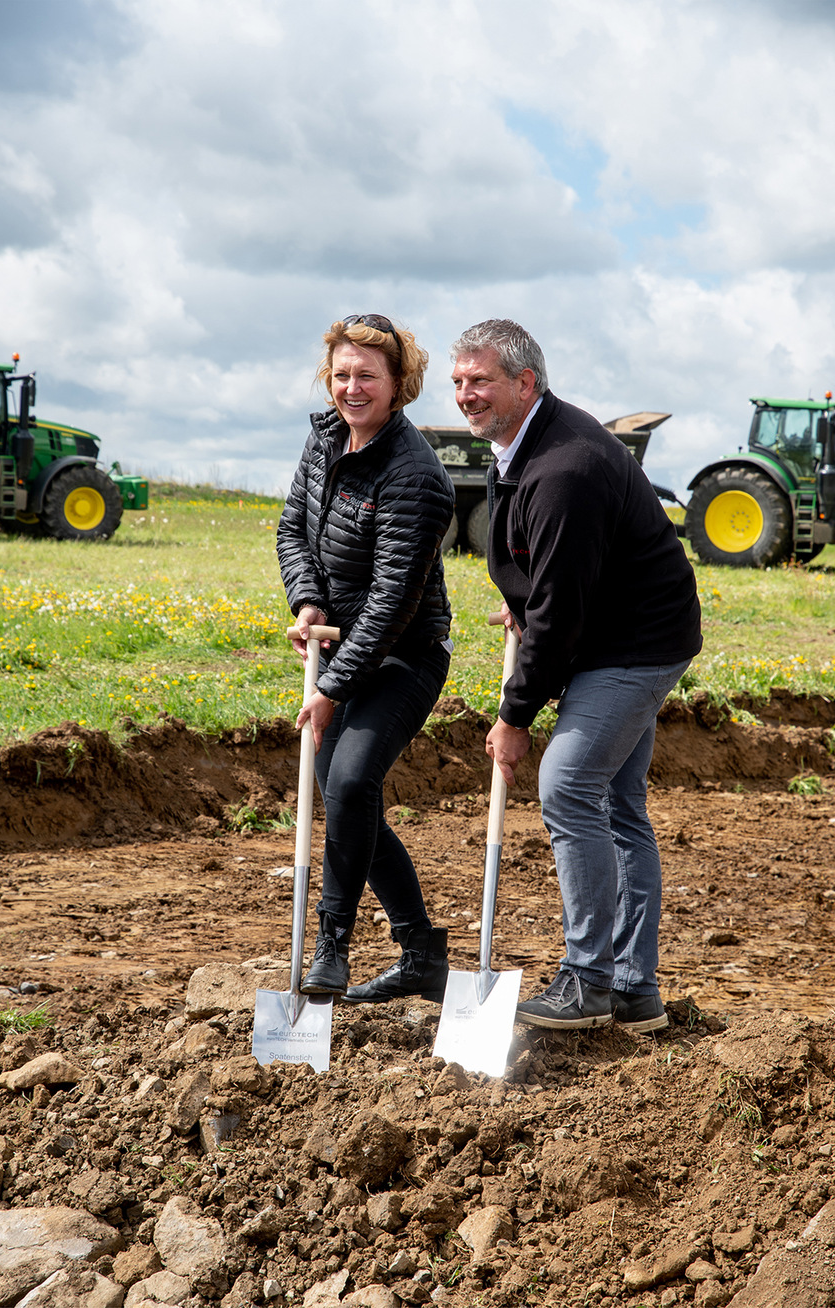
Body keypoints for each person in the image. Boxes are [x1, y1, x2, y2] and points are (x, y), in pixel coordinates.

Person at [450, 319, 703, 1032]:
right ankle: (633, 991)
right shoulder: (525, 443)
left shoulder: (565, 465)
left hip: (634, 646)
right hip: (611, 631)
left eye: (482, 381)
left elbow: (561, 612)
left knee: (568, 784)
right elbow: (549, 571)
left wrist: (514, 717)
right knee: (618, 803)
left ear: (525, 383)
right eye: (460, 382)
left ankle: (589, 980)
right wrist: (521, 599)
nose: (467, 394)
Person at [276, 314, 455, 1003]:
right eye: (342, 374)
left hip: (402, 657)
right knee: (350, 801)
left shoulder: (416, 475)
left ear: (398, 384)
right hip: (337, 649)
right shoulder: (323, 441)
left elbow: (393, 598)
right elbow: (294, 527)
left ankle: (333, 945)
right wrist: (308, 603)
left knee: (349, 786)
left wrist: (332, 686)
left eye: (367, 376)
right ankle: (421, 953)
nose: (352, 388)